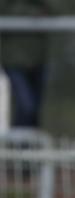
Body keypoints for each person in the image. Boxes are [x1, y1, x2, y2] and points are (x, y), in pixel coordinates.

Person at [0, 0, 57, 128]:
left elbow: (55, 11)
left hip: (39, 59)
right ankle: (18, 144)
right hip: (14, 60)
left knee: (34, 111)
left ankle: (26, 145)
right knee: (27, 106)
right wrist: (32, 14)